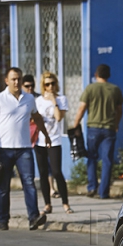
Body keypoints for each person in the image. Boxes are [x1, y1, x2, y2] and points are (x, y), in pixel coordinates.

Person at [0, 67, 50, 231]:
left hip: (24, 149)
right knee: (3, 186)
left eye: (19, 79)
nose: (16, 82)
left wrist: (46, 135)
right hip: (4, 149)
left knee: (29, 183)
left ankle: (33, 217)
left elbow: (37, 117)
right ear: (6, 81)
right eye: (13, 79)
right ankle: (3, 219)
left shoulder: (29, 99)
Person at [73, 64, 123, 199]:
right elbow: (119, 110)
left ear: (96, 75)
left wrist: (75, 124)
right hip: (109, 128)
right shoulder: (115, 90)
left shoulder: (90, 88)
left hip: (93, 128)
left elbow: (82, 108)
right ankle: (104, 191)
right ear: (108, 75)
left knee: (92, 157)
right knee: (107, 160)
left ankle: (92, 186)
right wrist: (116, 124)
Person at [34, 72, 72, 214]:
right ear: (43, 86)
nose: (50, 87)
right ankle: (47, 204)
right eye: (47, 84)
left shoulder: (61, 99)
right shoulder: (38, 101)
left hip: (55, 139)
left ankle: (65, 203)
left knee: (56, 171)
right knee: (43, 172)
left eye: (52, 84)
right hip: (40, 140)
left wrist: (53, 101)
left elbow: (58, 118)